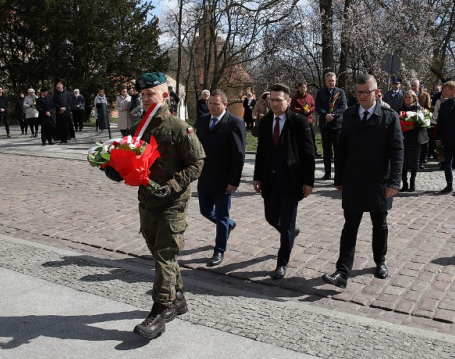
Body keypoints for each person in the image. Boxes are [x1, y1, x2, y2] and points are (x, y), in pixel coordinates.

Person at [102, 72, 205, 340]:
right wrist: (115, 169)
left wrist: (171, 187)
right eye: (143, 94)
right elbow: (132, 160)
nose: (146, 98)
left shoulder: (180, 128)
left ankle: (159, 312)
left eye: (151, 94)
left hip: (173, 201)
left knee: (165, 254)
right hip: (147, 200)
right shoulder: (140, 127)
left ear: (165, 96)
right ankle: (178, 297)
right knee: (157, 250)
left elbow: (197, 163)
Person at [322, 74, 403, 288]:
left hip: (380, 182)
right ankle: (342, 272)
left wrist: (395, 181)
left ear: (377, 92)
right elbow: (341, 149)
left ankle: (381, 261)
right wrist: (338, 177)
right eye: (359, 92)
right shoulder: (349, 115)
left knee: (380, 225)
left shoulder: (389, 116)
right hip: (354, 181)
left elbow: (397, 150)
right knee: (350, 226)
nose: (363, 96)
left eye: (367, 92)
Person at [253, 83, 316, 280]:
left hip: (291, 180)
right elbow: (261, 152)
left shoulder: (298, 122)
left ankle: (282, 263)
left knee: (287, 223)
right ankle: (290, 232)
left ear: (288, 101)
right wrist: (257, 176)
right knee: (271, 217)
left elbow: (309, 153)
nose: (274, 103)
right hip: (270, 179)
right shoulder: (265, 122)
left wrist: (308, 181)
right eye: (271, 99)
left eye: (278, 100)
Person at [195, 89, 246, 267]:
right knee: (205, 210)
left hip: (224, 179)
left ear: (225, 104)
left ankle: (219, 250)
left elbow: (239, 155)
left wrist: (234, 182)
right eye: (210, 103)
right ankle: (229, 225)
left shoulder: (234, 123)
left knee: (222, 216)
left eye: (216, 104)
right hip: (205, 176)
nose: (212, 107)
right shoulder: (202, 120)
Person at [315, 72, 347, 180]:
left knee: (338, 151)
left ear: (335, 81)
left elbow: (343, 106)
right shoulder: (320, 93)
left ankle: (338, 173)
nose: (331, 82)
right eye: (329, 81)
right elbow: (318, 107)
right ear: (326, 82)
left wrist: (334, 115)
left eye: (333, 80)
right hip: (325, 125)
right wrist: (325, 115)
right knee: (326, 150)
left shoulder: (340, 92)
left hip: (337, 125)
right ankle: (327, 173)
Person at [400, 91, 422, 192]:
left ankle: (412, 183)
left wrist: (413, 126)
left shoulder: (418, 109)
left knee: (414, 161)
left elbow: (422, 123)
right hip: (403, 137)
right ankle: (404, 184)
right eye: (406, 97)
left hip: (414, 138)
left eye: (410, 97)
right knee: (403, 162)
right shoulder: (400, 109)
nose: (408, 99)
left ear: (414, 98)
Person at [291, 83, 318, 154]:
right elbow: (292, 108)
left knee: (311, 135)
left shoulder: (310, 97)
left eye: (304, 87)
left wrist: (310, 110)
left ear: (306, 88)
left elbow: (314, 106)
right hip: (300, 120)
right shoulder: (295, 98)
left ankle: (314, 150)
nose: (303, 89)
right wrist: (302, 110)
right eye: (301, 87)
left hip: (309, 119)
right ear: (298, 88)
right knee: (301, 136)